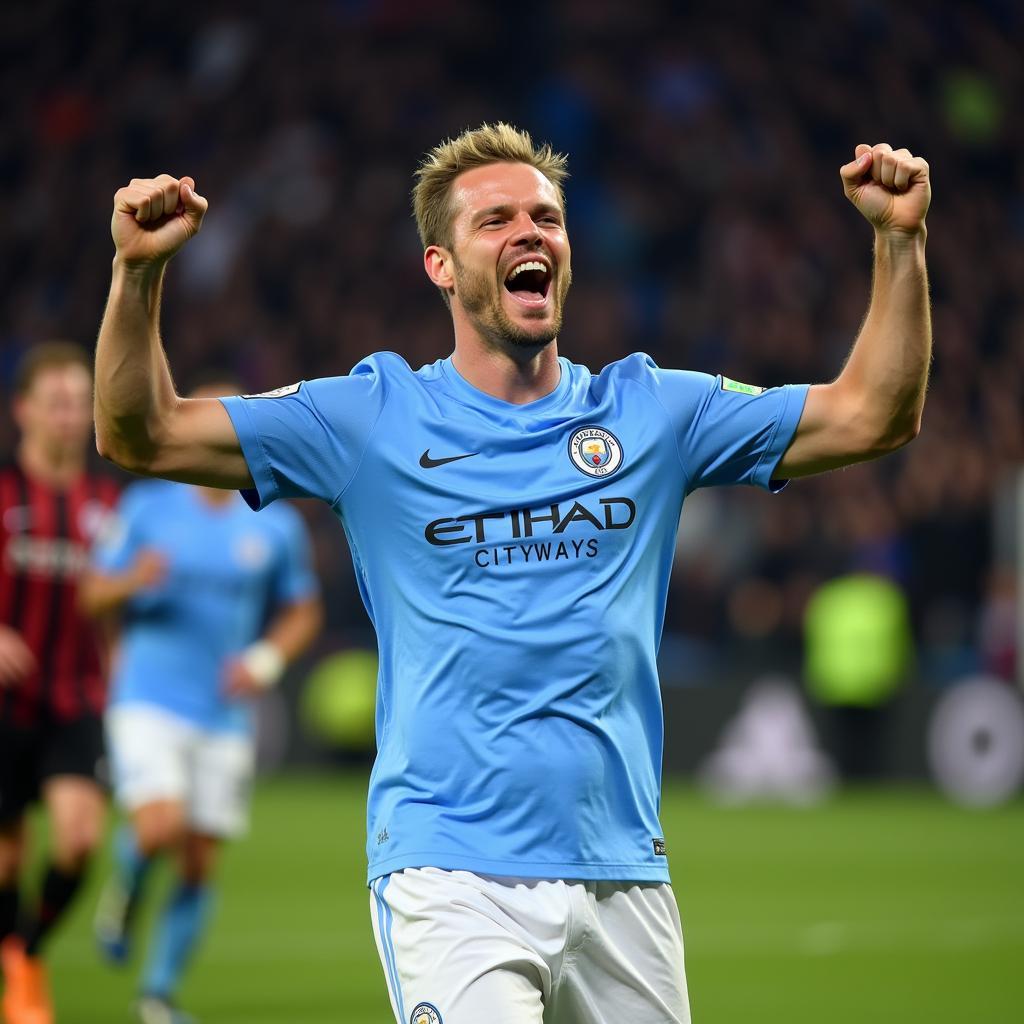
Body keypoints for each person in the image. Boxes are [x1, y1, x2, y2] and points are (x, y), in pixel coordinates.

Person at [92, 125, 931, 1023]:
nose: (531, 233)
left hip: (624, 873)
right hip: (451, 872)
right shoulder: (371, 416)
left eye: (547, 218)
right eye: (496, 221)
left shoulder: (649, 409)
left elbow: (872, 415)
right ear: (441, 267)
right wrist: (138, 275)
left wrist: (900, 241)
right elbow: (142, 434)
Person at [79, 381, 323, 1024]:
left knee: (198, 862)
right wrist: (130, 583)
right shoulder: (148, 506)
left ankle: (156, 994)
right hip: (149, 697)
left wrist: (264, 659)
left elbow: (303, 609)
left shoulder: (274, 520)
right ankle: (126, 889)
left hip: (223, 710)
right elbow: (91, 595)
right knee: (158, 827)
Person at [0, 342, 120, 1024]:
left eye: (80, 403)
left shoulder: (107, 502)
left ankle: (27, 953)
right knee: (7, 861)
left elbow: (115, 602)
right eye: (58, 403)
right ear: (24, 411)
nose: (71, 416)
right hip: (4, 705)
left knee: (77, 839)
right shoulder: (4, 493)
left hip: (76, 698)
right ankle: (19, 962)